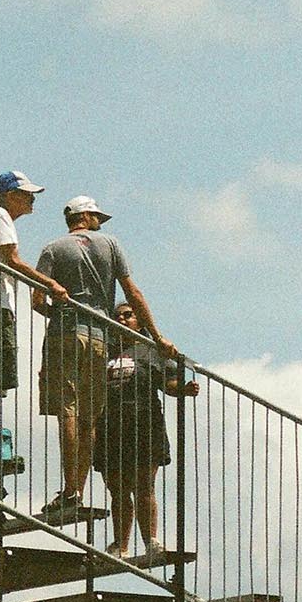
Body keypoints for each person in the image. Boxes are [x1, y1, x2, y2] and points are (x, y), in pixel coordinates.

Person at [33, 197, 175, 522]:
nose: (99, 221)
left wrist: (61, 312)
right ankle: (76, 489)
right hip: (100, 337)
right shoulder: (110, 244)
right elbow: (133, 292)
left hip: (65, 332)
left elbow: (38, 301)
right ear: (83, 215)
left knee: (67, 410)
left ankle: (70, 490)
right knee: (89, 416)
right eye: (96, 216)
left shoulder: (52, 248)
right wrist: (155, 335)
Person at [94, 302, 198, 555]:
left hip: (144, 422)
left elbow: (169, 383)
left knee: (143, 485)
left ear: (140, 321)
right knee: (118, 489)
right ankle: (121, 545)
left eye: (128, 315)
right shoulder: (103, 351)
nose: (122, 320)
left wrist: (183, 390)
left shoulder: (151, 350)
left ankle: (151, 541)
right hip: (110, 423)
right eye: (117, 316)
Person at [0, 171, 66, 426]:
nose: (32, 199)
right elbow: (12, 260)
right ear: (10, 195)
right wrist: (49, 283)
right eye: (27, 195)